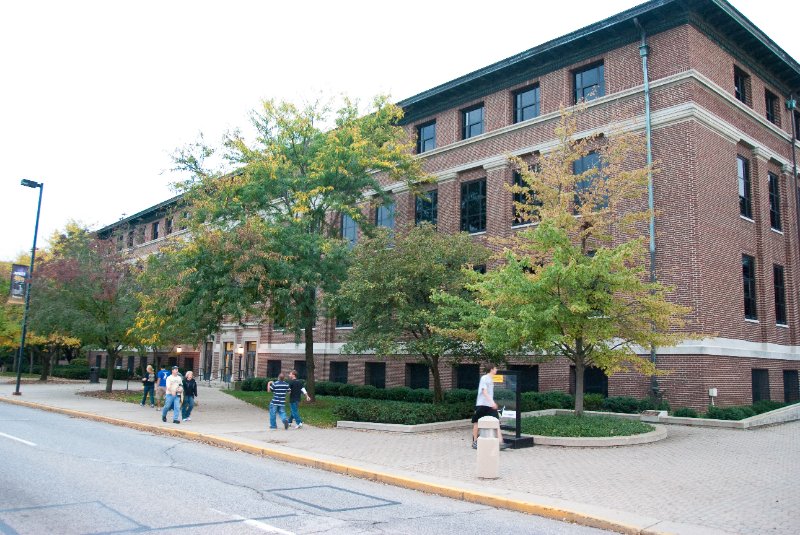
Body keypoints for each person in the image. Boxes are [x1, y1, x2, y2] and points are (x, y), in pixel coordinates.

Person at [471, 364, 502, 449]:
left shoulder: (491, 379)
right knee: (477, 422)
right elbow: (484, 392)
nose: (496, 370)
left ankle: (500, 442)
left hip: (490, 405)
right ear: (491, 369)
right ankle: (474, 442)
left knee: (497, 422)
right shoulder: (484, 378)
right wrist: (493, 403)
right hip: (482, 404)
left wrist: (492, 403)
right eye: (495, 368)